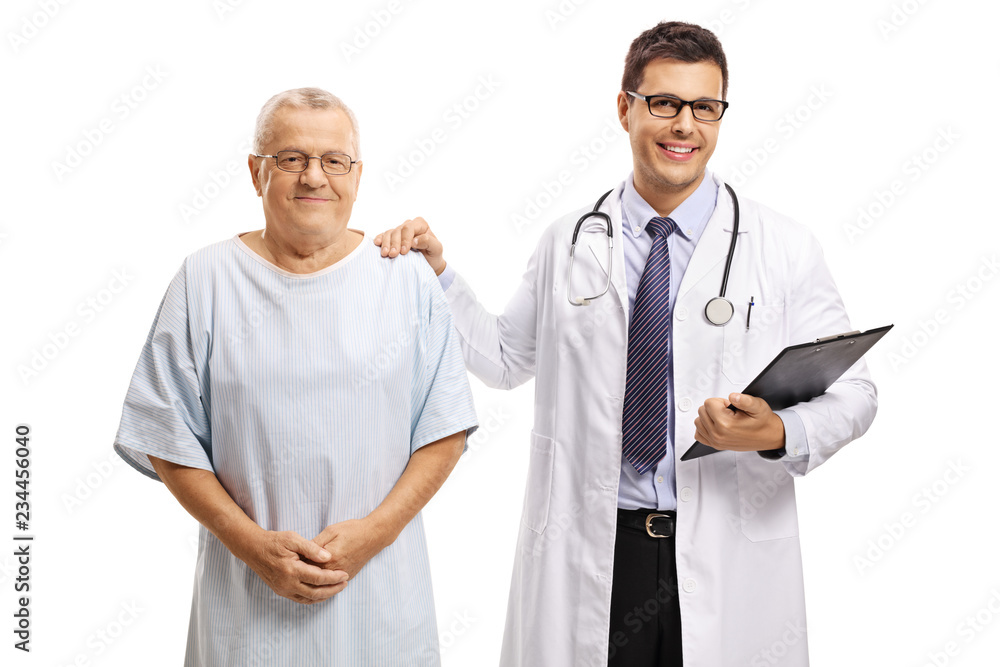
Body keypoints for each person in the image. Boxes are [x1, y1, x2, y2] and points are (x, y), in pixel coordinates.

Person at [375, 22, 877, 667]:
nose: (684, 126)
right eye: (664, 103)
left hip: (728, 547)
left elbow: (857, 393)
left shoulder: (782, 246)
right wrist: (438, 273)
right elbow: (504, 359)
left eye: (705, 108)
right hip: (596, 548)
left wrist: (777, 431)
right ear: (625, 109)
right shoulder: (570, 241)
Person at [113, 87, 478, 667]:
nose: (315, 177)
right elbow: (167, 439)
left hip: (379, 606)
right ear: (257, 174)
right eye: (291, 159)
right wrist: (253, 547)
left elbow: (445, 431)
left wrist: (373, 535)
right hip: (245, 611)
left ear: (357, 176)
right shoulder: (204, 280)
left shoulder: (404, 279)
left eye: (335, 161)